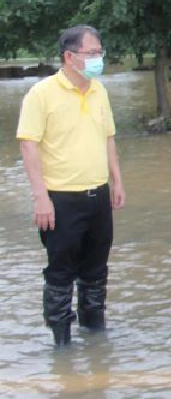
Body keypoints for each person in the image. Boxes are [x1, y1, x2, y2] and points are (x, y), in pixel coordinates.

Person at [17, 25, 126, 346]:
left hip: (99, 195)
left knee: (96, 271)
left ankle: (95, 336)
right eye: (91, 53)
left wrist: (117, 181)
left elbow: (108, 138)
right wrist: (41, 198)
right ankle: (61, 344)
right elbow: (28, 145)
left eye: (99, 53)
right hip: (60, 199)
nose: (98, 59)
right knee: (61, 273)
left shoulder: (98, 90)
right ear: (69, 56)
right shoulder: (42, 93)